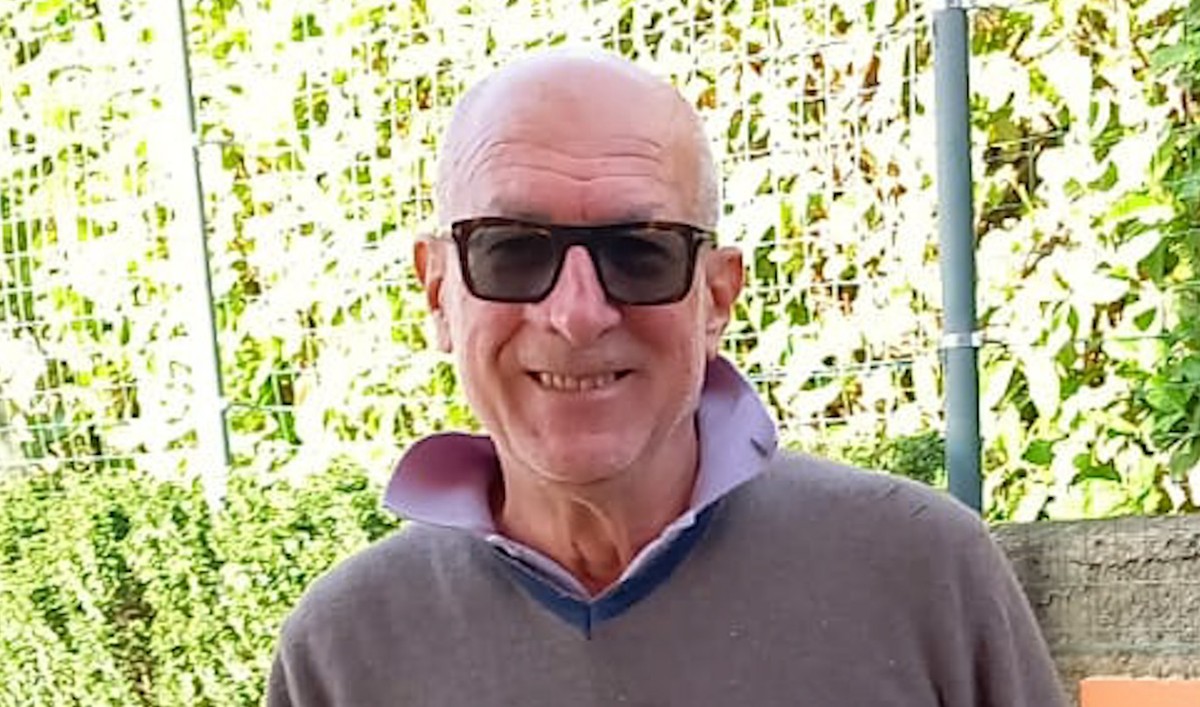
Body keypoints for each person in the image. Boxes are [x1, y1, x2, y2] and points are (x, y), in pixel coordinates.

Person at [267, 49, 1067, 707]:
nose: (577, 314)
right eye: (511, 250)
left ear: (717, 297)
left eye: (640, 252)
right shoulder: (345, 653)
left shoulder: (921, 578)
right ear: (439, 291)